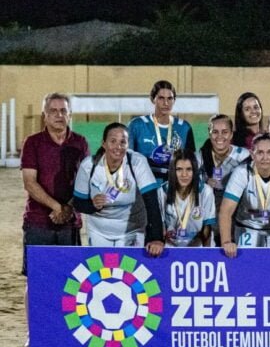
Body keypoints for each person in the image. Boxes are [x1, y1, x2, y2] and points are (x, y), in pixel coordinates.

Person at [21, 92, 90, 274]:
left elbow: (86, 182)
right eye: (53, 111)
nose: (59, 115)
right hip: (38, 223)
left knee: (71, 281)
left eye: (63, 111)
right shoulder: (32, 143)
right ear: (45, 115)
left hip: (70, 224)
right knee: (36, 282)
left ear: (70, 115)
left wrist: (68, 209)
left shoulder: (80, 143)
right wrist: (58, 207)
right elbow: (29, 182)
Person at [73, 122, 165, 254]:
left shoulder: (137, 162)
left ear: (128, 144)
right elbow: (78, 203)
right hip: (99, 231)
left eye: (123, 142)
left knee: (129, 270)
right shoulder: (89, 166)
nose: (118, 147)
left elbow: (152, 202)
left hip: (132, 229)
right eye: (113, 141)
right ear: (103, 144)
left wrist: (156, 238)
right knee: (103, 270)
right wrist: (92, 205)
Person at [127, 80, 196, 180]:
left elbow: (191, 162)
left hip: (174, 184)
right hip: (144, 184)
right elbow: (127, 159)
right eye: (161, 98)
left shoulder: (184, 127)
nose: (166, 103)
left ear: (174, 100)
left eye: (170, 98)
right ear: (152, 99)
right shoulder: (137, 125)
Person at [197, 114, 251, 242]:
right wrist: (204, 182)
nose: (220, 136)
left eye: (225, 132)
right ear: (209, 134)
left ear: (231, 134)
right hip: (208, 215)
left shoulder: (243, 156)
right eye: (215, 132)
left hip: (237, 214)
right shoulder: (199, 157)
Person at [159, 148, 215, 247]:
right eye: (179, 169)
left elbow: (207, 228)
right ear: (172, 171)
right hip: (170, 247)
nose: (184, 175)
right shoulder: (162, 191)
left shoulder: (205, 191)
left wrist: (207, 255)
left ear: (195, 170)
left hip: (197, 247)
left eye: (189, 169)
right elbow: (161, 227)